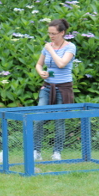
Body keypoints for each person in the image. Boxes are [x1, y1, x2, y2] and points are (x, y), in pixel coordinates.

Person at [33, 19, 76, 161]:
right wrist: (41, 72)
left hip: (63, 88)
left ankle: (57, 152)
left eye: (54, 34)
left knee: (59, 121)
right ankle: (36, 151)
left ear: (62, 33)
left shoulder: (70, 47)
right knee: (38, 118)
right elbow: (38, 65)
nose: (51, 36)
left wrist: (51, 49)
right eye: (49, 33)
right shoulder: (47, 47)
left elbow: (62, 64)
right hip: (47, 87)